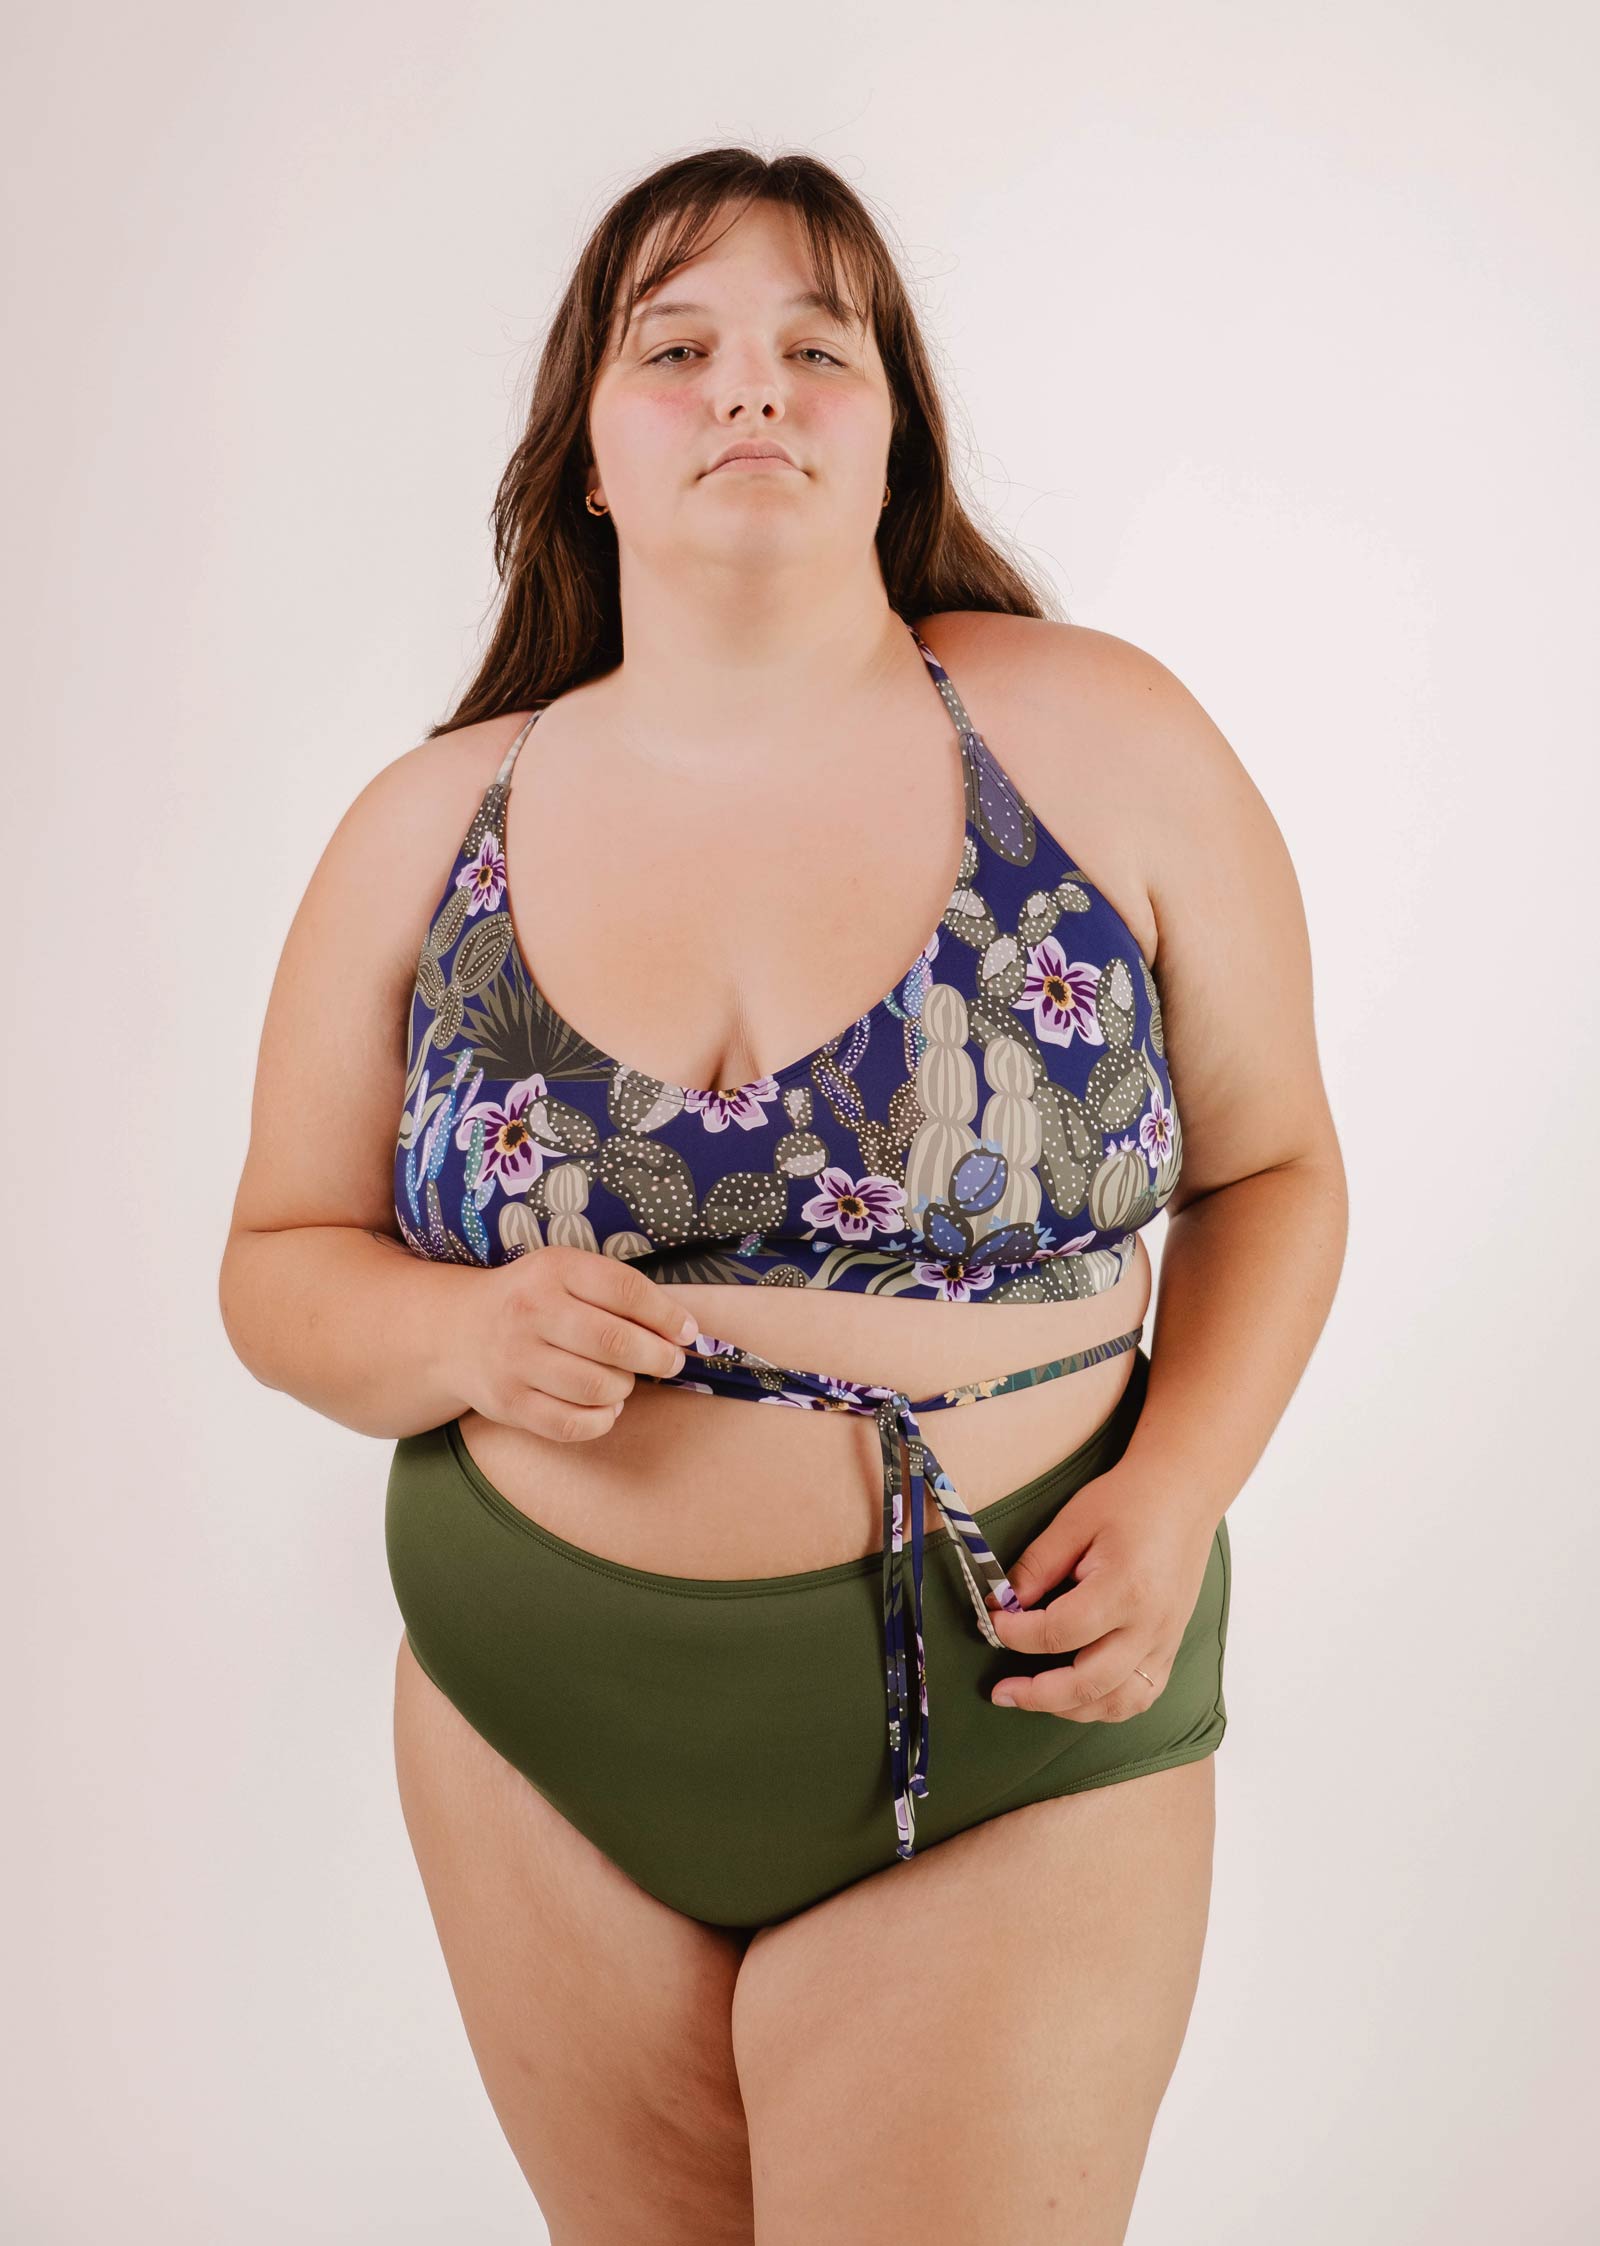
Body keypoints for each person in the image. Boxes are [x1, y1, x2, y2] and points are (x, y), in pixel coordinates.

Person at [219, 147, 1347, 2246]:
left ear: (890, 423)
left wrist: (1183, 1480)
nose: (751, 388)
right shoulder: (423, 824)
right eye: (678, 349)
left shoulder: (1095, 736)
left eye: (814, 347)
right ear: (581, 453)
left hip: (1016, 1705)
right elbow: (276, 1269)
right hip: (532, 1715)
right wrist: (464, 1332)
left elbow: (1277, 1166)